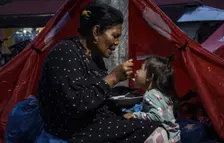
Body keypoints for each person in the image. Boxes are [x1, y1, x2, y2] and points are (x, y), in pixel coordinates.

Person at [37, 3, 164, 143]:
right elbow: (76, 105)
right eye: (114, 36)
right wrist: (113, 78)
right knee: (153, 131)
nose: (117, 42)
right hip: (72, 129)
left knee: (156, 126)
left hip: (95, 122)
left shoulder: (95, 57)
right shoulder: (64, 53)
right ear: (96, 31)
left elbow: (97, 95)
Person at [123, 56, 181, 143]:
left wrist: (135, 115)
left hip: (167, 139)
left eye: (141, 69)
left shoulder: (150, 95)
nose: (137, 71)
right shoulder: (161, 93)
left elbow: (157, 117)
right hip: (175, 138)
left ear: (150, 77)